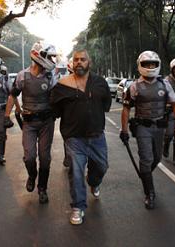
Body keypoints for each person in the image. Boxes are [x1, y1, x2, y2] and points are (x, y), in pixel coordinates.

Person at [50, 49, 111, 225]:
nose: (79, 62)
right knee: (76, 171)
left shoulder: (100, 83)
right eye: (76, 59)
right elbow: (55, 109)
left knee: (102, 166)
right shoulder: (63, 85)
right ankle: (78, 207)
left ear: (89, 62)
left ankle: (94, 181)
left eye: (82, 59)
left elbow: (106, 104)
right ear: (72, 63)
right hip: (74, 138)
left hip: (97, 137)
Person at [120, 51, 175, 210]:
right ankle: (150, 193)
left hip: (159, 126)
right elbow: (126, 109)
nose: (150, 67)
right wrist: (124, 130)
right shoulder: (134, 86)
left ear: (157, 65)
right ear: (140, 66)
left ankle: (145, 174)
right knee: (146, 158)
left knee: (157, 158)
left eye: (153, 64)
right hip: (143, 128)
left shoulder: (164, 84)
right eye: (147, 64)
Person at [5, 41, 58, 204]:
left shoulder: (51, 76)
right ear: (39, 55)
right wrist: (8, 115)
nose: (52, 61)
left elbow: (57, 98)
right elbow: (13, 95)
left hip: (46, 123)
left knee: (45, 158)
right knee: (29, 157)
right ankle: (32, 175)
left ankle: (42, 188)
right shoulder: (22, 76)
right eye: (50, 57)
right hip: (29, 123)